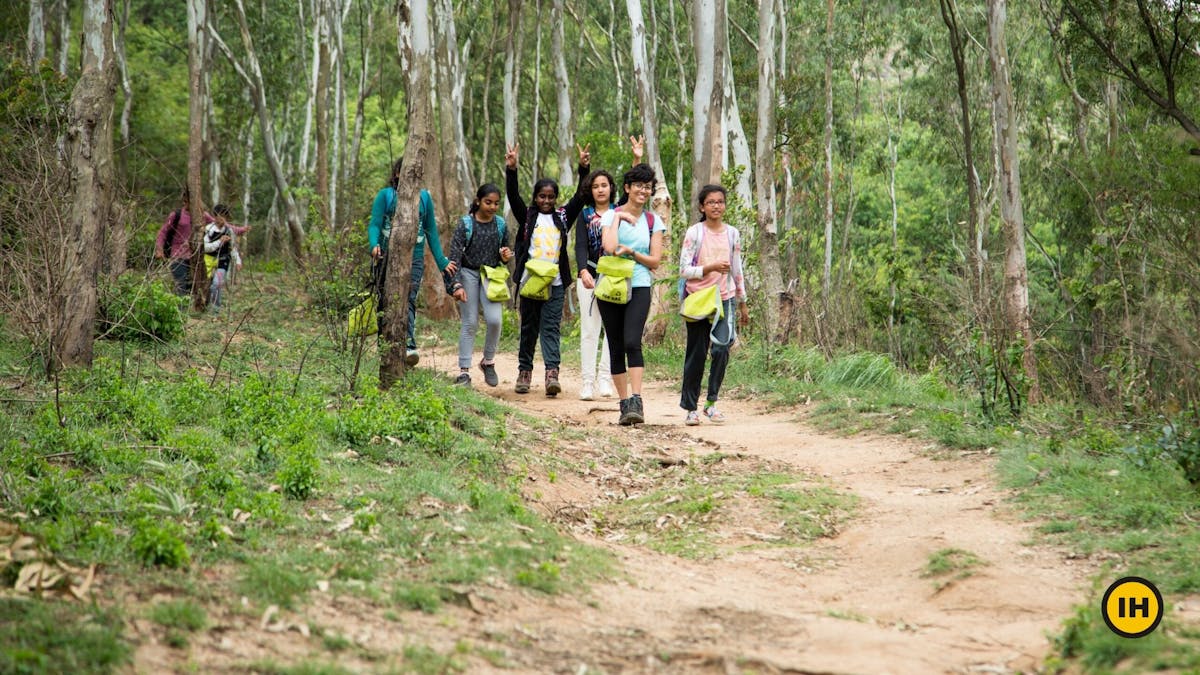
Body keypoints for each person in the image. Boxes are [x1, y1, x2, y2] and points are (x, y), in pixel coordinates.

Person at [506, 143, 591, 396]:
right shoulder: (528, 216)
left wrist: (583, 168)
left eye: (550, 197)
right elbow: (513, 197)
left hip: (554, 282)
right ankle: (524, 372)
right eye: (541, 196)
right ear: (535, 197)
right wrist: (512, 169)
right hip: (530, 281)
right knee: (529, 327)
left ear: (555, 199)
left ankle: (552, 373)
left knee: (551, 327)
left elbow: (580, 196)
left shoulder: (563, 217)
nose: (546, 200)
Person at [574, 136, 645, 401]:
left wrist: (637, 158)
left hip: (616, 275)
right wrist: (582, 271)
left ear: (612, 188)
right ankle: (587, 382)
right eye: (595, 186)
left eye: (604, 185)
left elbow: (634, 190)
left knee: (612, 331)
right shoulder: (584, 215)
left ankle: (606, 379)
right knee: (589, 330)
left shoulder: (618, 210)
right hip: (591, 275)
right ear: (590, 190)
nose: (600, 190)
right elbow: (580, 245)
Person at [596, 163, 666, 425]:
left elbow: (655, 260)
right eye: (638, 185)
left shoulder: (652, 220)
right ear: (627, 188)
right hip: (612, 286)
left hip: (638, 285)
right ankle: (624, 403)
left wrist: (633, 253)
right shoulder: (610, 215)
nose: (643, 191)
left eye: (647, 187)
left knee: (631, 342)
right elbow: (610, 246)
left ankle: (637, 399)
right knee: (615, 344)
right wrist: (618, 218)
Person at [368, 159, 452, 366]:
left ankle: (408, 345)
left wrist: (442, 262)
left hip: (414, 258)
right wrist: (374, 245)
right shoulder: (386, 196)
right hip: (385, 256)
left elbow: (431, 230)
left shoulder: (424, 198)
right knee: (384, 300)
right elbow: (375, 224)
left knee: (409, 299)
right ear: (397, 173)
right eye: (406, 172)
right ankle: (384, 346)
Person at [677, 184, 749, 425]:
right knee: (696, 354)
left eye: (720, 201)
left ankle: (711, 403)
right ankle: (690, 408)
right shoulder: (695, 233)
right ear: (702, 206)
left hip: (725, 299)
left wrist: (742, 302)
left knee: (721, 349)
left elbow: (737, 268)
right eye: (711, 202)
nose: (716, 206)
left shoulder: (732, 234)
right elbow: (684, 270)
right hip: (698, 298)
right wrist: (709, 268)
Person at [445, 184, 512, 387]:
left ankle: (488, 361)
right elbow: (455, 255)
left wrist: (505, 256)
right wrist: (455, 284)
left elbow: (505, 253)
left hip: (491, 274)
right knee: (470, 321)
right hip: (467, 273)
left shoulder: (500, 224)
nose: (492, 207)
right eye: (488, 202)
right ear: (478, 201)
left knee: (495, 320)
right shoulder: (466, 224)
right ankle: (464, 372)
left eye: (496, 203)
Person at [155, 188, 202, 296]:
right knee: (181, 285)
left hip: (195, 257)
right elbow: (163, 232)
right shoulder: (176, 215)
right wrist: (159, 249)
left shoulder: (202, 215)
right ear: (185, 201)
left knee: (192, 286)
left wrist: (240, 230)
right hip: (178, 255)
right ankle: (181, 311)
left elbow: (216, 223)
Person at [203, 204, 240, 313]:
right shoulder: (208, 229)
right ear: (214, 216)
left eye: (224, 216)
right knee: (206, 285)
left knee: (216, 284)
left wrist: (237, 261)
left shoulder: (229, 231)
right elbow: (205, 247)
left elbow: (233, 248)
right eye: (218, 216)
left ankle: (215, 309)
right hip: (209, 260)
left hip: (223, 261)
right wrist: (219, 242)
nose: (221, 219)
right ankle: (204, 305)